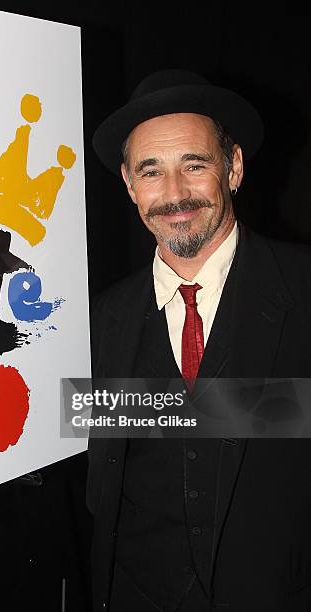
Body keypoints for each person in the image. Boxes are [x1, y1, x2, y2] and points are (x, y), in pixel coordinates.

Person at [87, 69, 311, 611]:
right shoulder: (102, 317)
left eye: (194, 164)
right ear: (128, 183)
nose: (174, 195)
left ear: (232, 169)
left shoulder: (304, 290)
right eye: (151, 171)